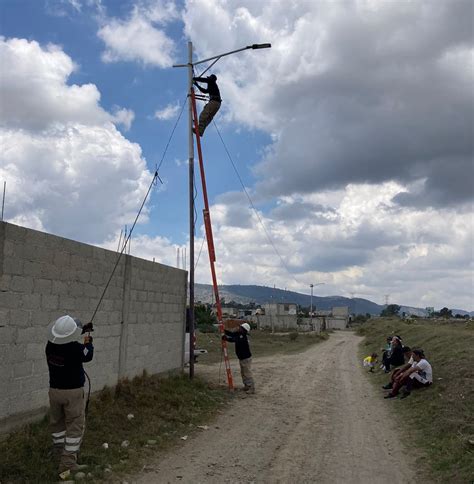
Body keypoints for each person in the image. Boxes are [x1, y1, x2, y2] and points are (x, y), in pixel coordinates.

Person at [45, 315, 94, 479]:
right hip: (72, 394)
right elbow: (87, 354)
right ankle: (68, 464)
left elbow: (66, 339)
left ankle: (58, 452)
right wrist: (88, 340)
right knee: (75, 426)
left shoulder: (50, 346)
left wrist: (81, 329)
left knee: (57, 423)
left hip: (54, 392)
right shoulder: (75, 348)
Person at [222, 322, 255, 393]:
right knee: (243, 372)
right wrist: (224, 330)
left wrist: (226, 339)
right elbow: (232, 334)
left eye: (241, 327)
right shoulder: (239, 334)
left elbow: (234, 339)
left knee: (247, 373)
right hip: (242, 357)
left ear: (244, 330)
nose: (239, 328)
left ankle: (251, 387)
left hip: (246, 358)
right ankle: (246, 386)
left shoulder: (242, 337)